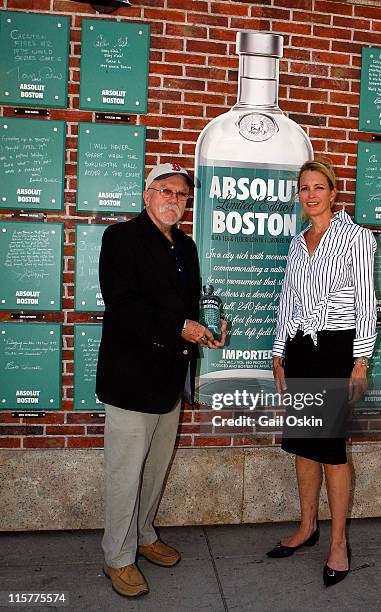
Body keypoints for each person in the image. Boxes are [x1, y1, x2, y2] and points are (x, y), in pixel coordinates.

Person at [96, 162, 226, 598]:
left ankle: (145, 535)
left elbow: (186, 309)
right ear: (147, 195)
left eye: (182, 195)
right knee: (125, 473)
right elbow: (123, 304)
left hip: (170, 378)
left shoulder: (185, 246)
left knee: (154, 470)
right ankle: (118, 557)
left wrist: (203, 331)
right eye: (166, 191)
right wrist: (179, 327)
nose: (174, 200)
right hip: (131, 380)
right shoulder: (121, 238)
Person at [266, 160, 377, 587]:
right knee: (304, 446)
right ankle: (308, 526)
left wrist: (360, 361)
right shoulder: (298, 243)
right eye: (304, 188)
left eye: (319, 187)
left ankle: (339, 542)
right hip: (299, 351)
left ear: (333, 193)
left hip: (336, 351)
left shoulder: (357, 238)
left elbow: (367, 303)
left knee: (331, 450)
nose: (310, 195)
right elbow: (287, 301)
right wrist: (279, 354)